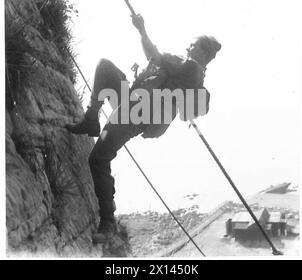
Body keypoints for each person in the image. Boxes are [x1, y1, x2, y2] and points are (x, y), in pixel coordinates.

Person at [65, 14, 221, 242]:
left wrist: (142, 29)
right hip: (134, 104)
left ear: (203, 54)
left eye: (194, 44)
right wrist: (142, 31)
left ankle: (108, 222)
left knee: (98, 159)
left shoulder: (192, 70)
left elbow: (154, 55)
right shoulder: (184, 65)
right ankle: (91, 118)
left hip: (138, 114)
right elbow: (155, 56)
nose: (189, 46)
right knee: (105, 67)